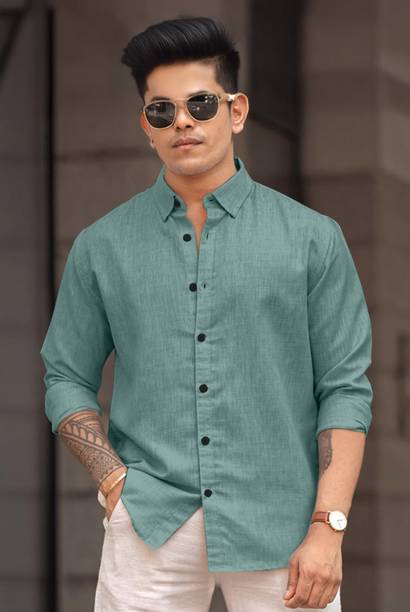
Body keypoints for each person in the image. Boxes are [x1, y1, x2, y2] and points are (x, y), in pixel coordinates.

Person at [39, 15, 373, 612]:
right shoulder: (102, 246)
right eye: (161, 111)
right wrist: (114, 480)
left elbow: (344, 389)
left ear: (236, 111)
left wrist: (329, 526)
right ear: (146, 126)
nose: (182, 122)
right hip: (150, 525)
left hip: (285, 527)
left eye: (200, 103)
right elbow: (65, 376)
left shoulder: (313, 239)